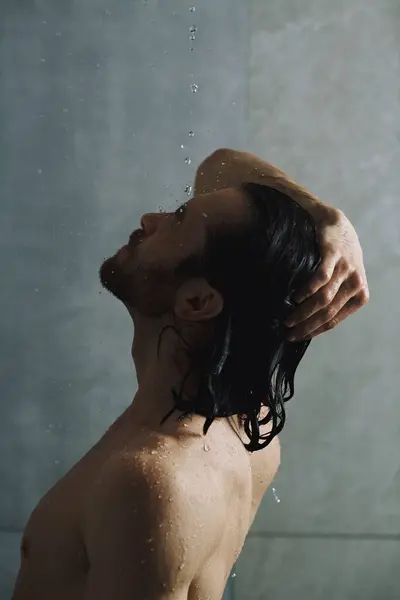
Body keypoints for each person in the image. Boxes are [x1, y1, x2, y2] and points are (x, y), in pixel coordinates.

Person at [11, 148, 369, 600]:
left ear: (198, 301)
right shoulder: (243, 428)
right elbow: (219, 165)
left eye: (178, 219)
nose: (148, 219)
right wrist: (327, 218)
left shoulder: (150, 482)